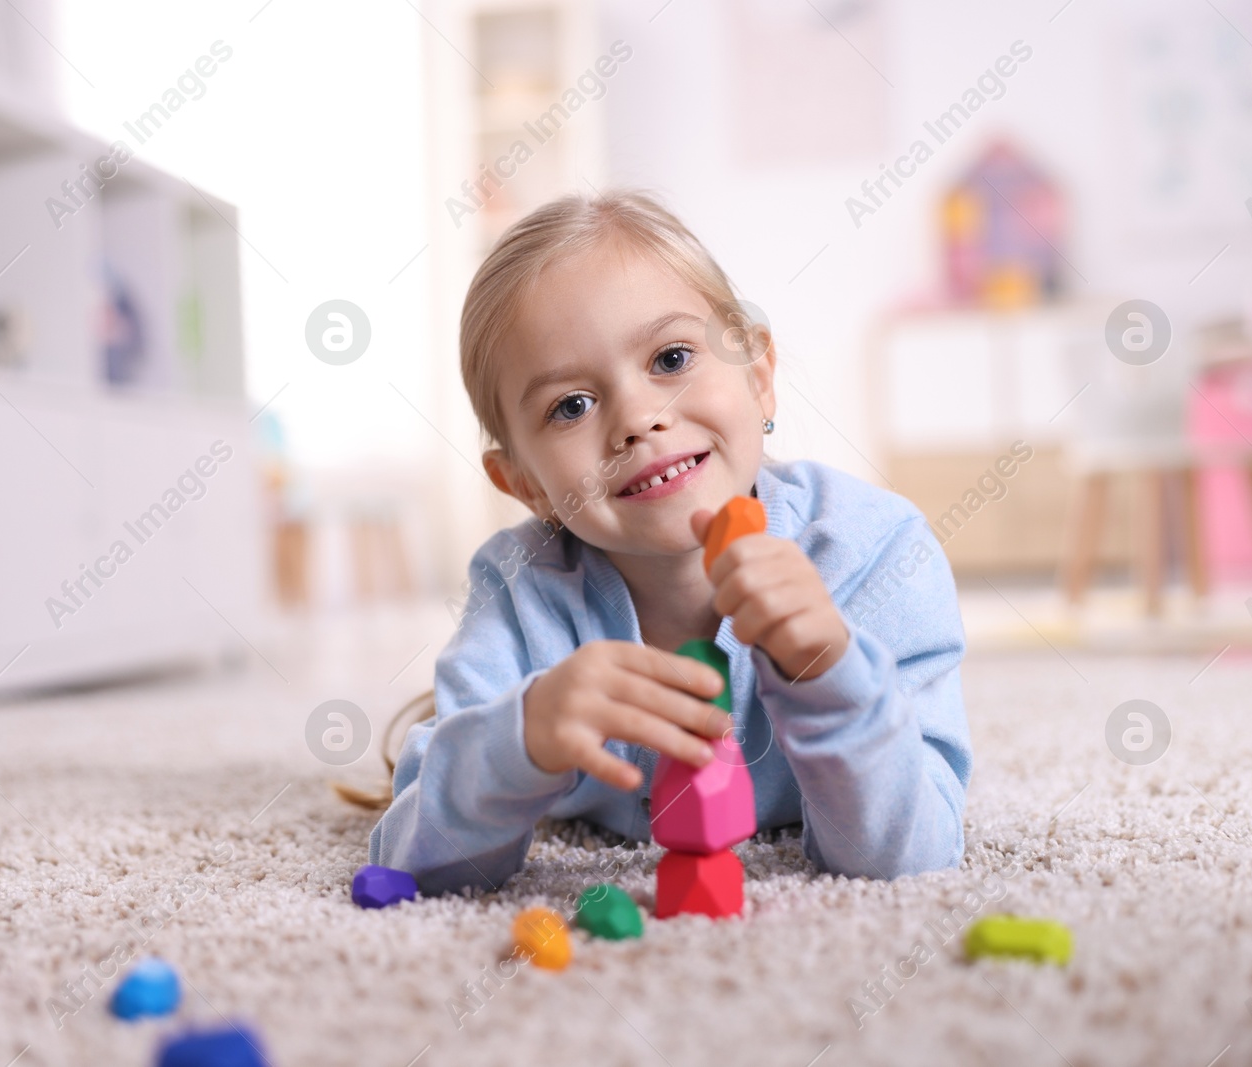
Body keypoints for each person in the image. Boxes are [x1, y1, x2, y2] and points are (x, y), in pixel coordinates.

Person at [341, 190, 971, 896]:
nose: (638, 419)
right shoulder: (521, 591)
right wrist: (521, 737)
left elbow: (910, 854)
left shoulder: (878, 551)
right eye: (570, 406)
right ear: (526, 485)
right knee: (463, 741)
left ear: (759, 376)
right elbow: (408, 863)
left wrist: (828, 669)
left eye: (671, 359)